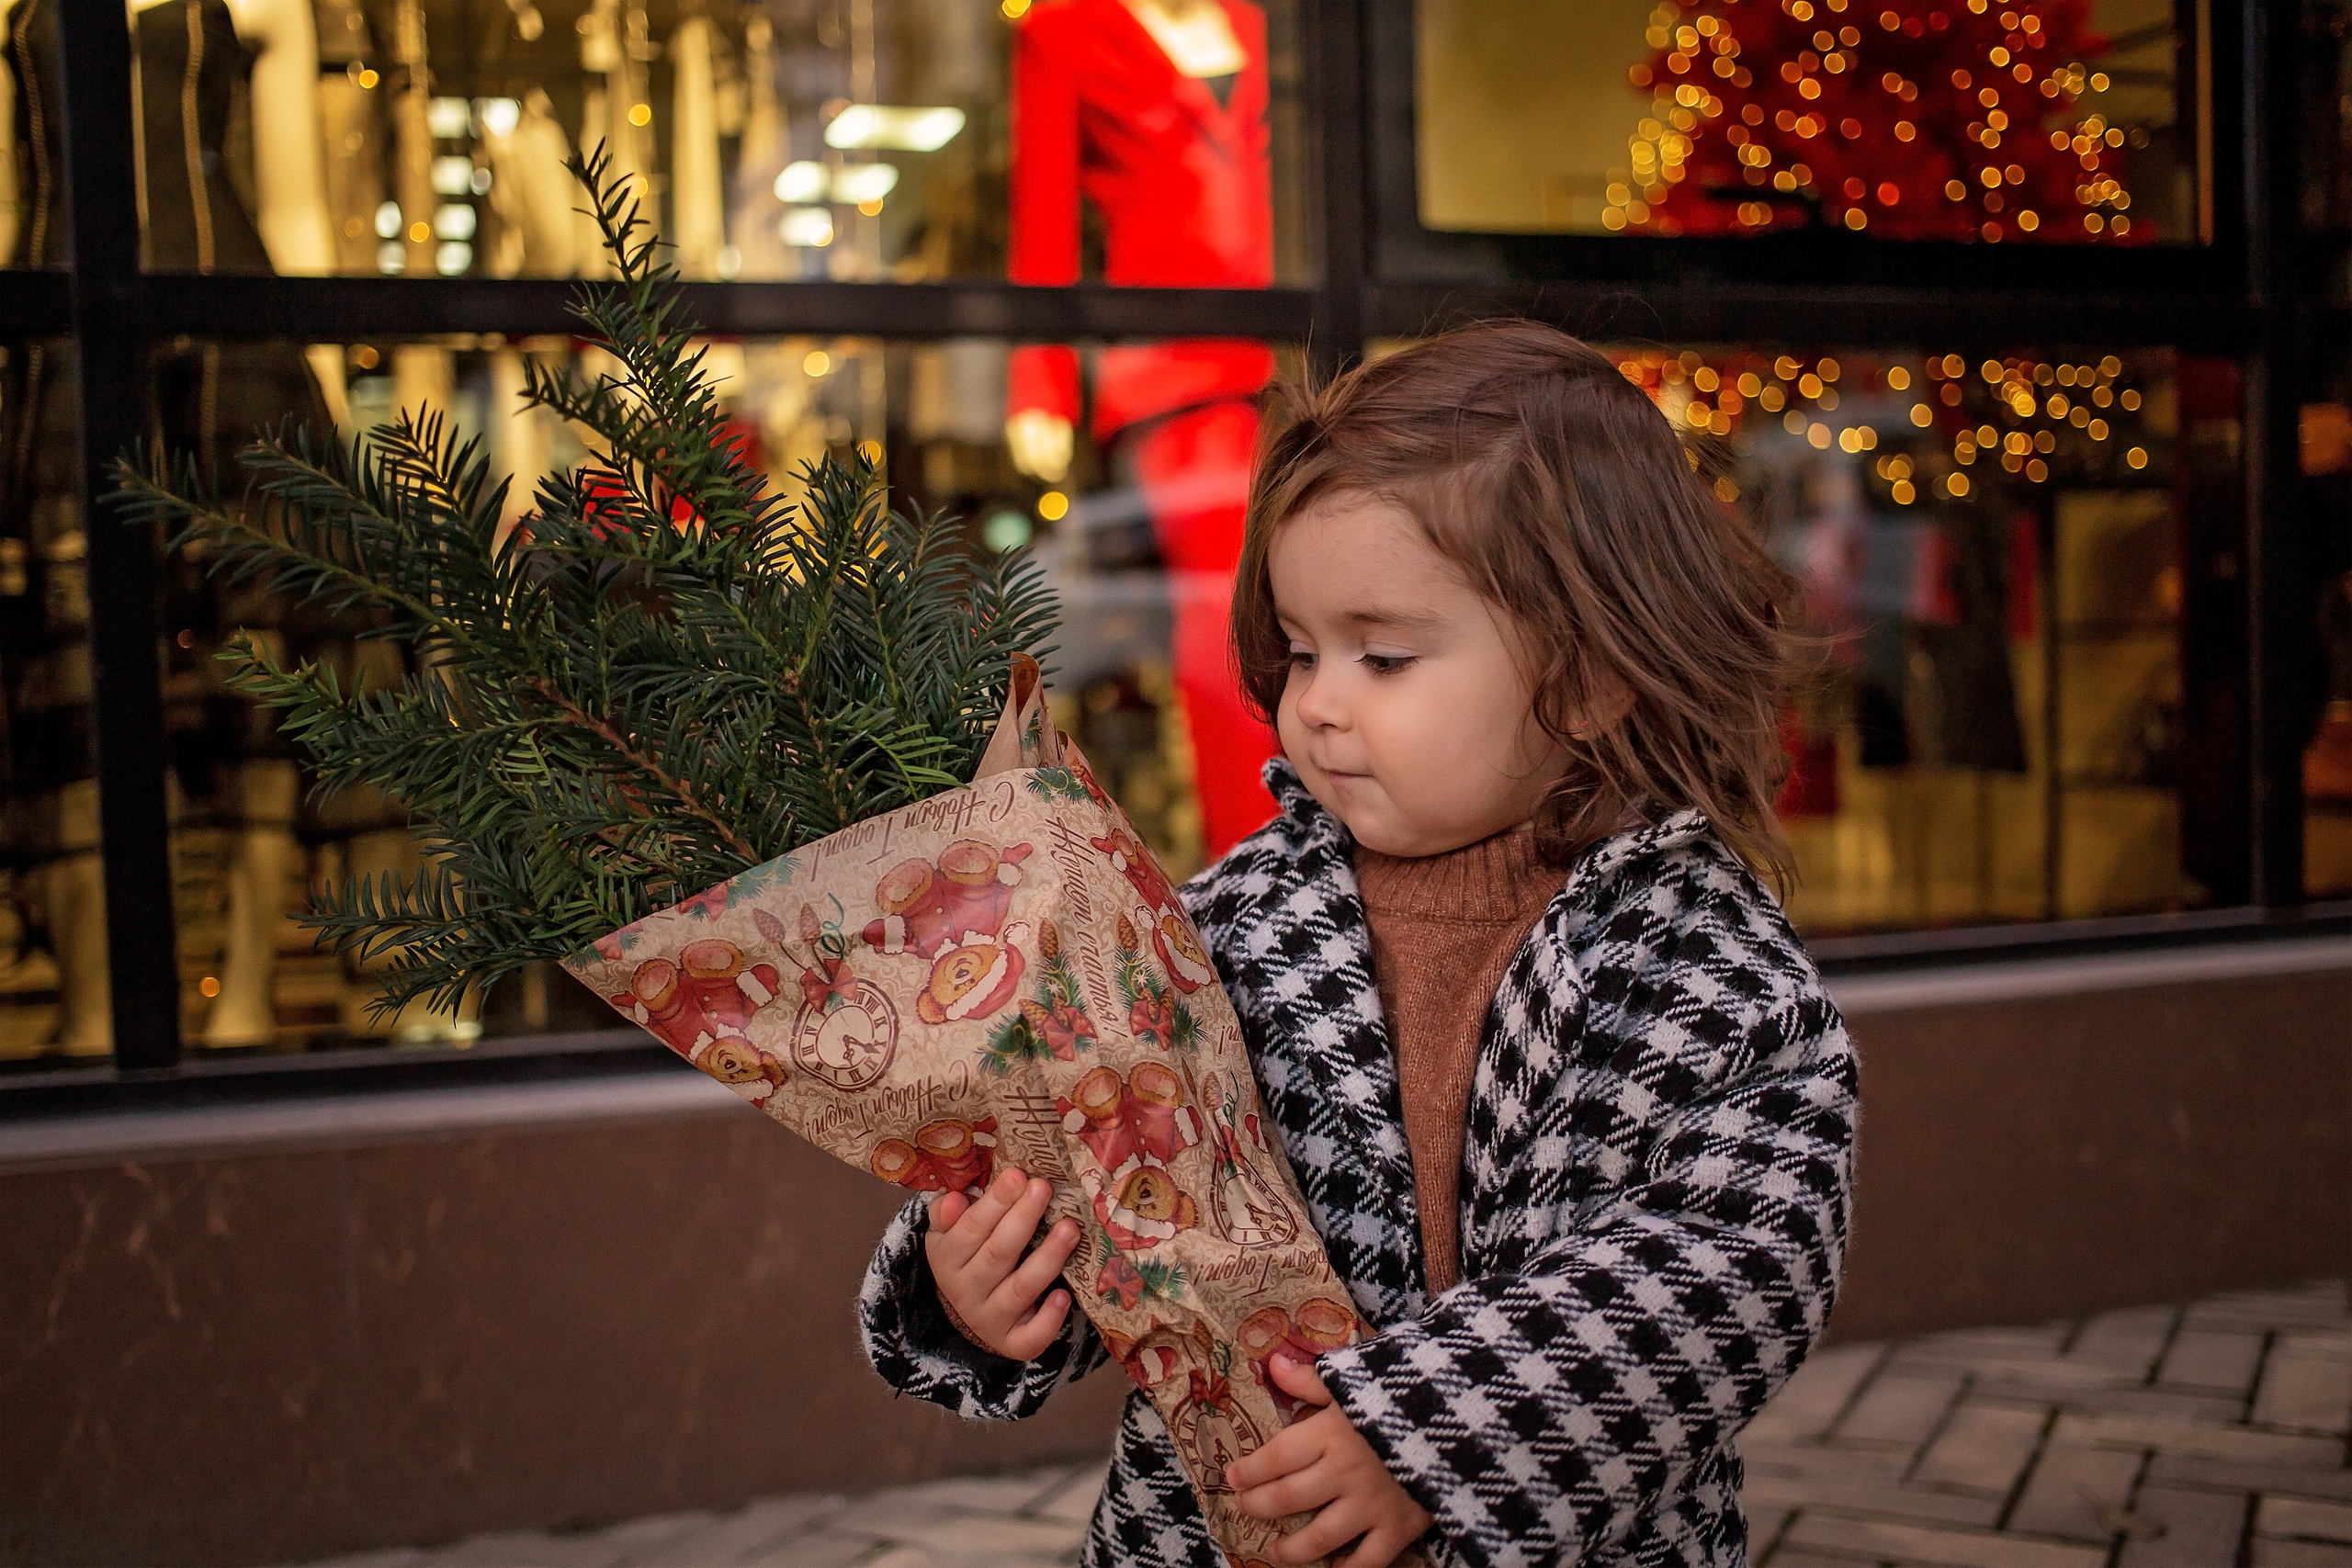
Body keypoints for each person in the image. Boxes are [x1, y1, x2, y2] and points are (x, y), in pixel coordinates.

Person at [859, 321, 1860, 1567]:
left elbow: (1732, 1266)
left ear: (1592, 676)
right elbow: (1126, 1183)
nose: (1319, 703)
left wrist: (1434, 1432)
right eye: (1301, 651)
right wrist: (995, 1284)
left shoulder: (1697, 962)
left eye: (1383, 656)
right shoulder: (1228, 926)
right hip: (1226, 1534)